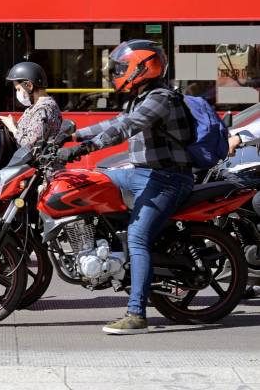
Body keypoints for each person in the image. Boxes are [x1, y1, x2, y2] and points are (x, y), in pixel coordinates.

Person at [60, 40, 193, 334]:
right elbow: (116, 120)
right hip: (142, 173)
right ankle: (106, 248)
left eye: (123, 67)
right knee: (90, 181)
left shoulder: (160, 99)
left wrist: (82, 148)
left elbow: (125, 128)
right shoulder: (141, 97)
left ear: (142, 67)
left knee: (138, 237)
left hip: (168, 178)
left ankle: (136, 315)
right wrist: (70, 135)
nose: (118, 72)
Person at [0, 62, 62, 149]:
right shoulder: (37, 106)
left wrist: (12, 128)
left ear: (29, 85)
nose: (17, 93)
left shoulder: (44, 110)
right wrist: (16, 124)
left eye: (18, 89)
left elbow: (29, 145)